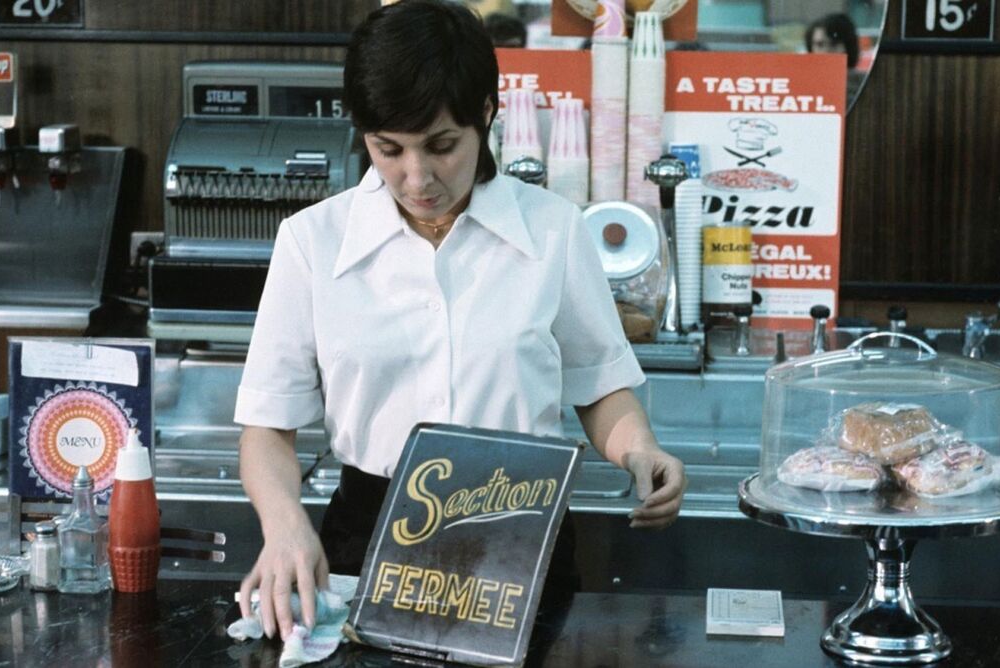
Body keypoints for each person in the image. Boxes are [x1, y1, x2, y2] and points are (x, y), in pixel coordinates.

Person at [234, 0, 686, 641]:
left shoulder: (553, 230)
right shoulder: (313, 242)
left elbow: (599, 386)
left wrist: (640, 449)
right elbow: (267, 426)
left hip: (520, 535)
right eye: (388, 149)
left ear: (487, 114)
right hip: (369, 533)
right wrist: (284, 525)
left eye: (441, 146)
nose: (416, 177)